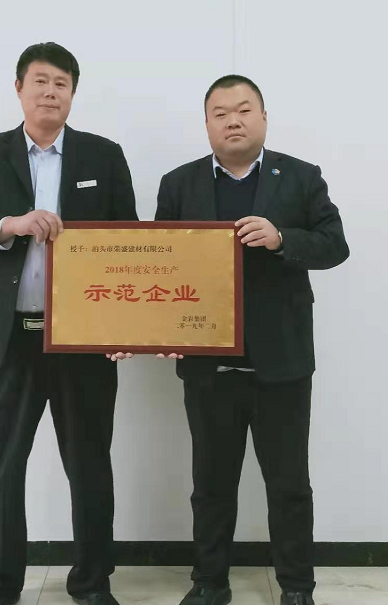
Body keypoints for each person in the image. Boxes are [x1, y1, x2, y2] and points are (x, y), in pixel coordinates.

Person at [0, 42, 138, 605]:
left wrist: (125, 325)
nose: (51, 92)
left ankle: (92, 582)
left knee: (90, 463)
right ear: (20, 88)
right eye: (41, 81)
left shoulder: (103, 155)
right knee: (1, 464)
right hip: (8, 337)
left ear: (73, 93)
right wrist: (10, 224)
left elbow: (128, 241)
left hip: (84, 338)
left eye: (61, 84)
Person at [155, 75, 349, 605]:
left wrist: (282, 238)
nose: (233, 121)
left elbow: (335, 244)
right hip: (208, 363)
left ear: (263, 117)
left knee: (289, 484)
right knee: (211, 485)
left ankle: (297, 586)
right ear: (207, 124)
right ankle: (209, 582)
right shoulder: (179, 183)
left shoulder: (301, 177)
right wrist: (159, 329)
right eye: (220, 113)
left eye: (243, 110)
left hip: (281, 361)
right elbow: (162, 263)